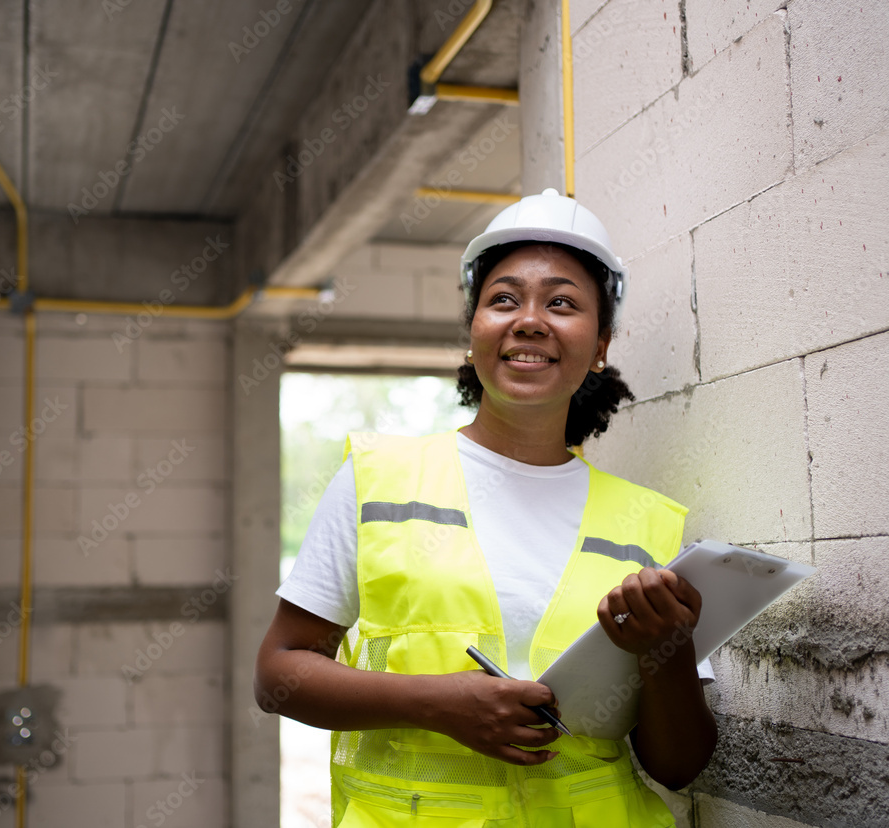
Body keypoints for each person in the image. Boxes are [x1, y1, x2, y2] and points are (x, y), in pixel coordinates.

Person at [256, 188, 718, 827]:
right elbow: (279, 672)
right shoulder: (377, 479)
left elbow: (678, 766)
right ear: (474, 330)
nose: (530, 319)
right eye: (504, 299)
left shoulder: (648, 525)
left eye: (562, 302)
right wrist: (432, 704)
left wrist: (668, 653)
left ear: (602, 342)